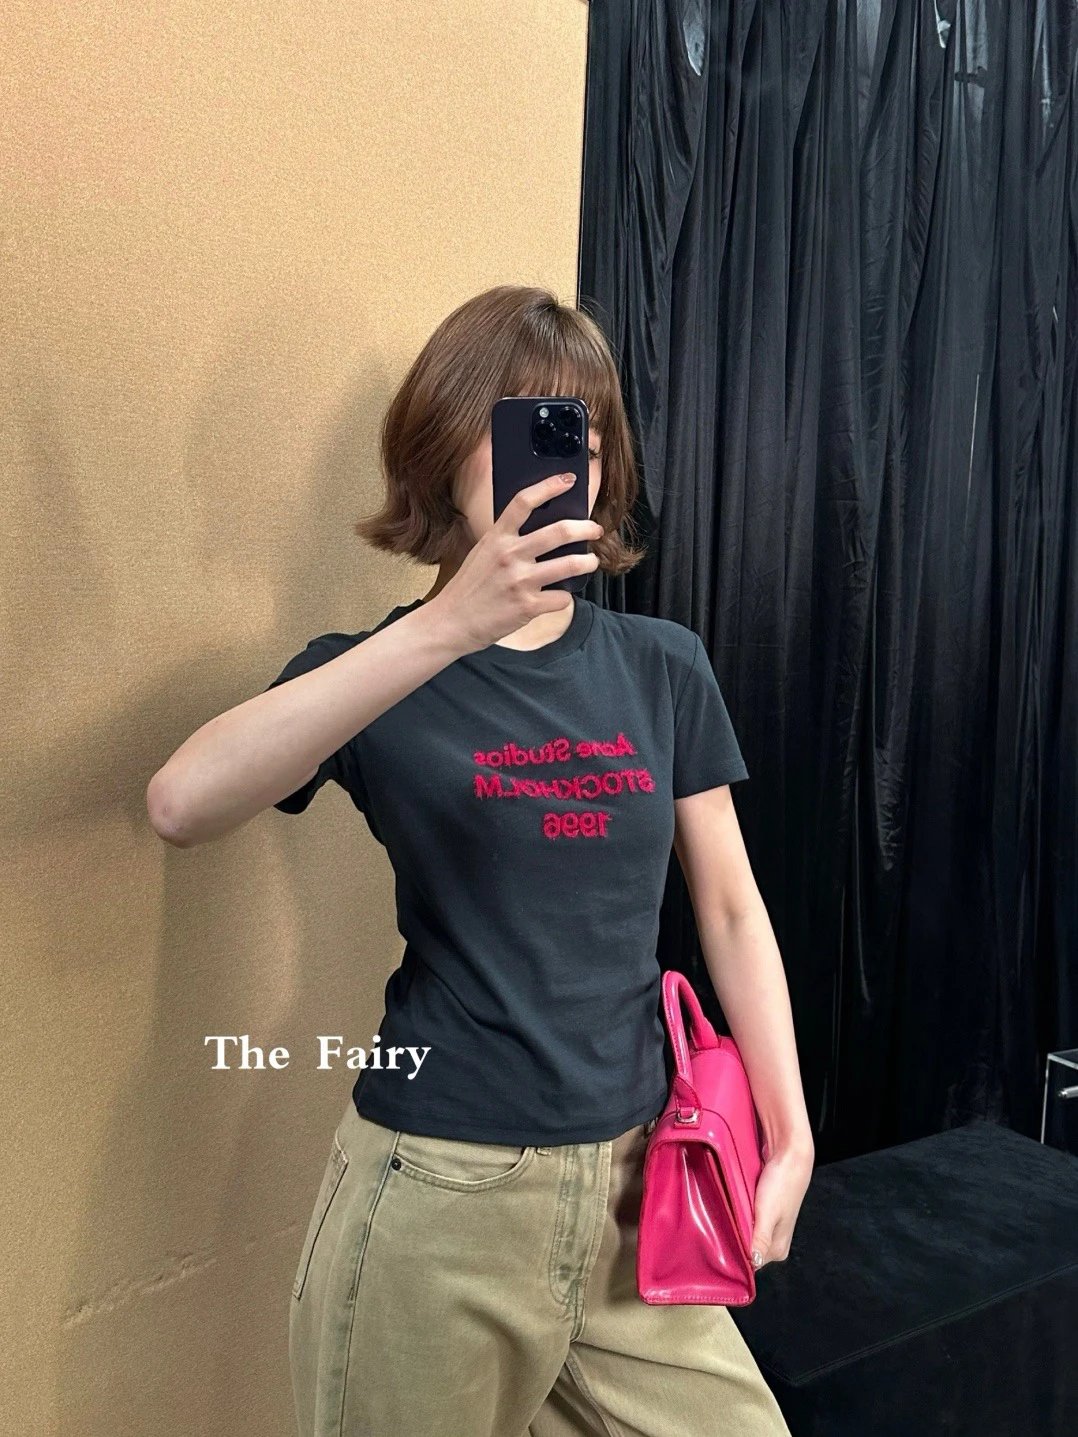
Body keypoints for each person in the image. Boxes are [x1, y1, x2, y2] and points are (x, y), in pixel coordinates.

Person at [147, 284, 814, 1436]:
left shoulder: (661, 666)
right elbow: (181, 804)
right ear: (443, 446)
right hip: (439, 1193)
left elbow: (730, 910)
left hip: (635, 1190)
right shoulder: (376, 672)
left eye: (582, 438)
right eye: (522, 428)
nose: (560, 466)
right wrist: (447, 626)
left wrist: (787, 1127)